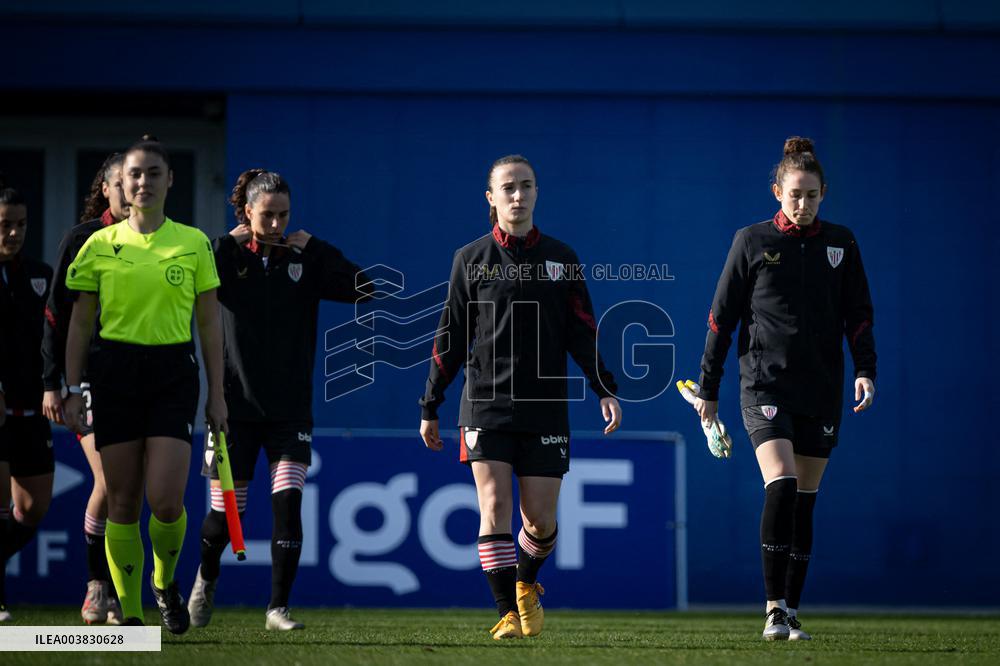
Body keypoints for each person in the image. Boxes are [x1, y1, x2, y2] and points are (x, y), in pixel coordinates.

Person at [418, 155, 622, 640]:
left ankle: (526, 584)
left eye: (526, 186)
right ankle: (507, 612)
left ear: (536, 193)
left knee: (542, 521)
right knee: (494, 508)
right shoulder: (470, 260)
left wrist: (603, 388)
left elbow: (582, 331)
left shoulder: (561, 258)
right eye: (507, 187)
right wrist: (431, 404)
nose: (517, 195)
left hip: (545, 406)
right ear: (490, 198)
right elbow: (450, 336)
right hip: (485, 403)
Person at [694, 137, 876, 640]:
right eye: (794, 194)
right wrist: (709, 388)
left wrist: (865, 369)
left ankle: (792, 611)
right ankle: (773, 608)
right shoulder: (750, 242)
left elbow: (858, 316)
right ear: (777, 191)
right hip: (764, 386)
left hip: (820, 390)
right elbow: (720, 319)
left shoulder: (842, 243)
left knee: (805, 500)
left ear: (824, 194)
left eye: (812, 195)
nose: (803, 204)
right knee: (783, 483)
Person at [188, 169, 373, 631]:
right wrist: (225, 244)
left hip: (290, 412)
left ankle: (277, 609)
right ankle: (206, 577)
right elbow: (191, 281)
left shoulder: (304, 262)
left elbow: (365, 288)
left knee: (287, 504)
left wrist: (316, 248)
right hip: (233, 412)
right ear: (246, 213)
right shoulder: (226, 260)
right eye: (265, 215)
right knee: (227, 518)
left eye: (283, 215)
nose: (275, 224)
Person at [63, 136, 227, 632]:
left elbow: (210, 324)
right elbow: (78, 324)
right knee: (122, 501)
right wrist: (71, 388)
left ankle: (163, 582)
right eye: (135, 173)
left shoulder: (193, 242)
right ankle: (131, 613)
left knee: (166, 501)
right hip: (113, 374)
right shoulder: (99, 245)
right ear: (121, 181)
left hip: (173, 375)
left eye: (154, 173)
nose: (143, 182)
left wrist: (217, 395)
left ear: (169, 180)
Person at [41, 153, 128, 625]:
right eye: (122, 183)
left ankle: (117, 591)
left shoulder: (155, 240)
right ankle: (98, 587)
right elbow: (56, 314)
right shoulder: (83, 239)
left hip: (137, 380)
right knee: (110, 481)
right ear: (107, 188)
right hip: (88, 378)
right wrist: (53, 384)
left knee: (130, 490)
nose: (132, 190)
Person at [0, 182, 54, 623]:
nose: (13, 233)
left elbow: (55, 339)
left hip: (33, 410)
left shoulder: (39, 274)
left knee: (33, 508)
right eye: (4, 225)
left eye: (19, 225)